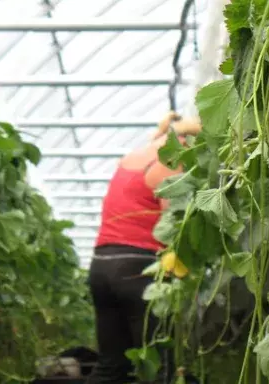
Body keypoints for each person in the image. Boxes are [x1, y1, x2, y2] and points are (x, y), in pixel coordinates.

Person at [86, 112, 201, 383]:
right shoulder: (171, 159)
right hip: (137, 268)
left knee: (112, 366)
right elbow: (174, 226)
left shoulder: (133, 157)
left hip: (102, 265)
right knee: (162, 368)